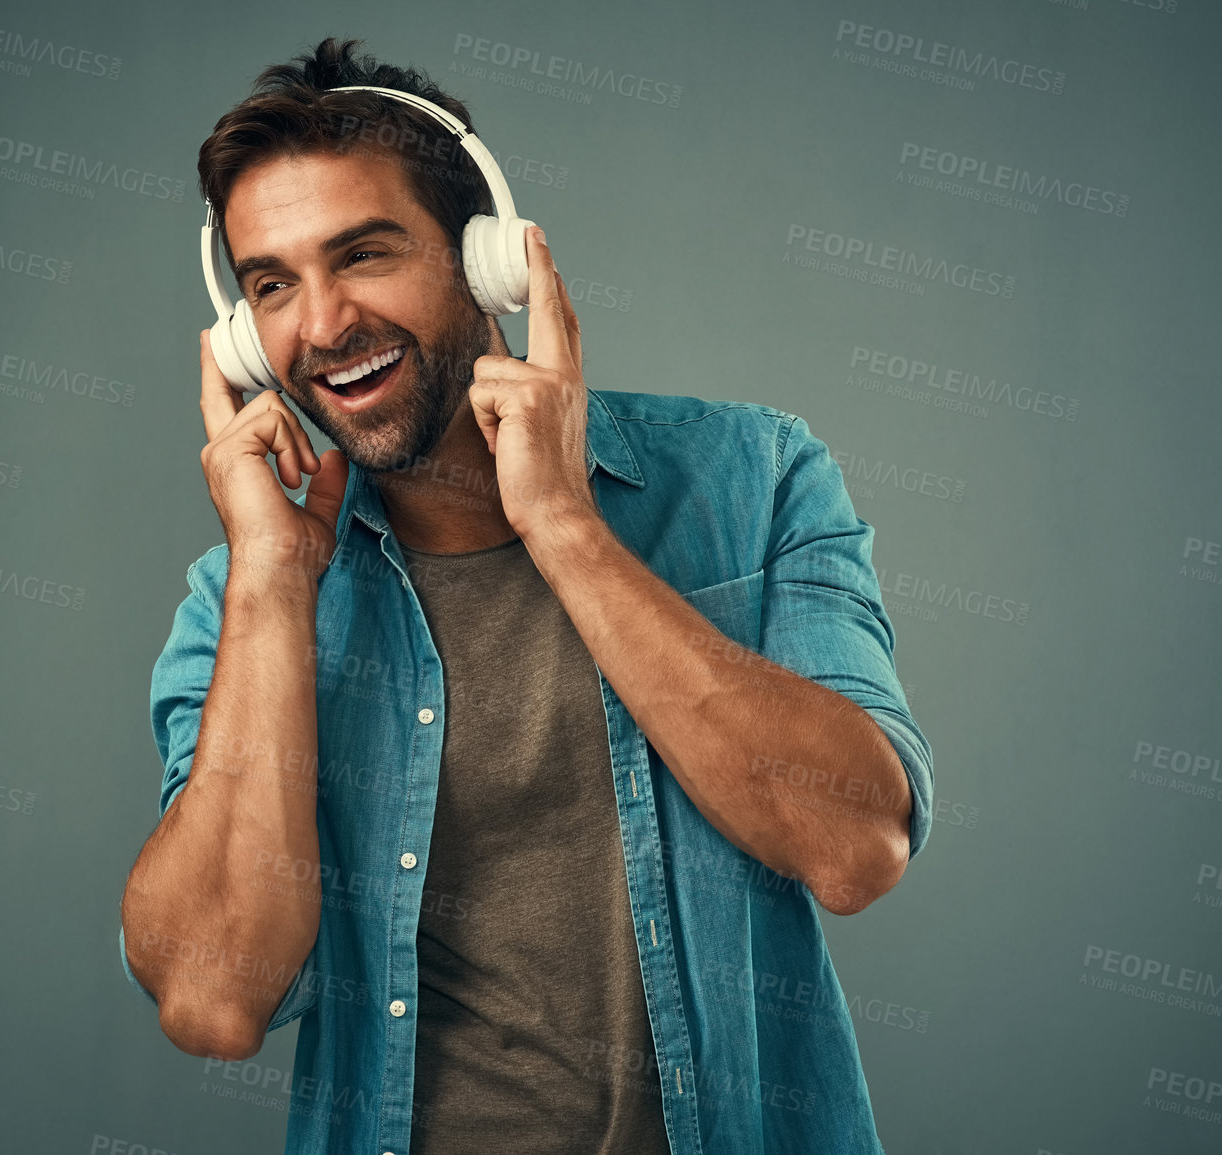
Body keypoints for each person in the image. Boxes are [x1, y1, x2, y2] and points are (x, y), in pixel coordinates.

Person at [119, 37, 934, 1155]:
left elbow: (856, 848)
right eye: (271, 286)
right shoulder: (240, 601)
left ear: (487, 260)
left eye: (363, 255)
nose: (321, 326)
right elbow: (214, 1001)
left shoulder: (755, 477)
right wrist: (270, 581)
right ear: (240, 340)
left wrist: (564, 524)